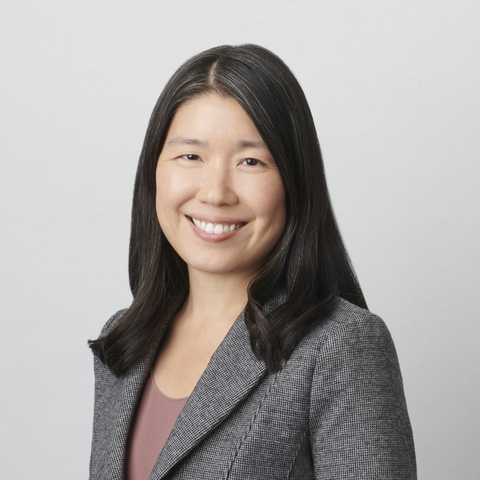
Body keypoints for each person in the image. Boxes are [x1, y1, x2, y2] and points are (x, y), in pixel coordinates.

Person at [88, 44, 416, 480]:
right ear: (154, 169)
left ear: (295, 181)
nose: (215, 193)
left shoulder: (340, 346)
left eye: (251, 161)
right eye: (191, 156)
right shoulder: (125, 339)